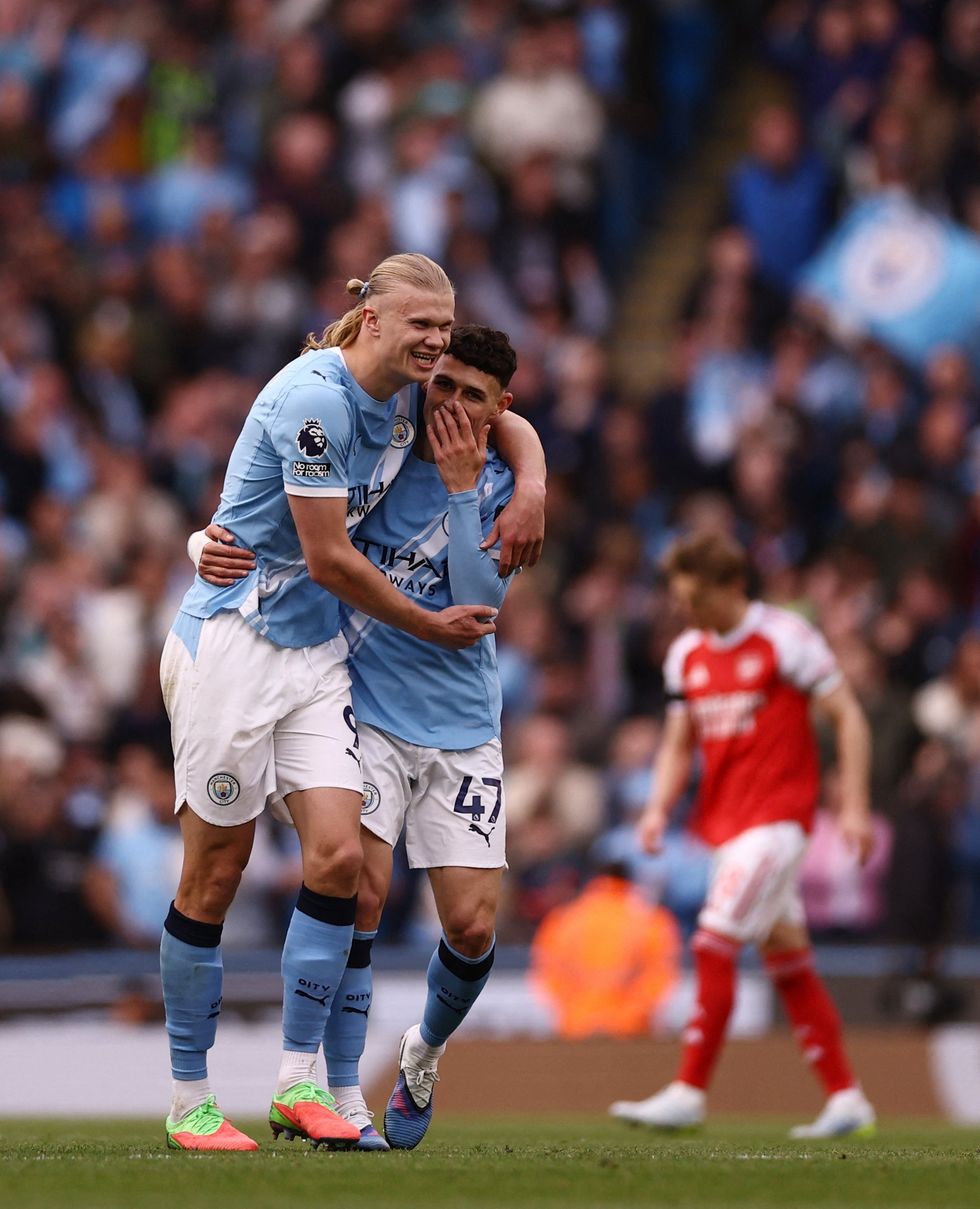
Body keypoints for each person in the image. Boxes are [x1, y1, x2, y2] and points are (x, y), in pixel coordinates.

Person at [160, 256, 545, 1153]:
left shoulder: (415, 401)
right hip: (237, 642)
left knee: (337, 860)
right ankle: (189, 1098)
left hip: (318, 655)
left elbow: (507, 416)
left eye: (444, 329)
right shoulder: (317, 399)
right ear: (370, 318)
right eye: (422, 327)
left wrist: (530, 483)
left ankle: (299, 1087)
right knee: (214, 874)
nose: (436, 344)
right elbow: (329, 559)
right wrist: (429, 623)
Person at [609, 531, 878, 1138]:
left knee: (713, 941)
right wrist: (656, 809)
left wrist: (855, 805)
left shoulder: (785, 638)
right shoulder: (685, 655)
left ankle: (689, 1091)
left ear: (733, 587)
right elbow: (680, 742)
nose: (689, 613)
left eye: (697, 599)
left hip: (778, 822)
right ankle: (846, 1098)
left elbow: (849, 715)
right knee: (788, 960)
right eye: (682, 601)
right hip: (726, 827)